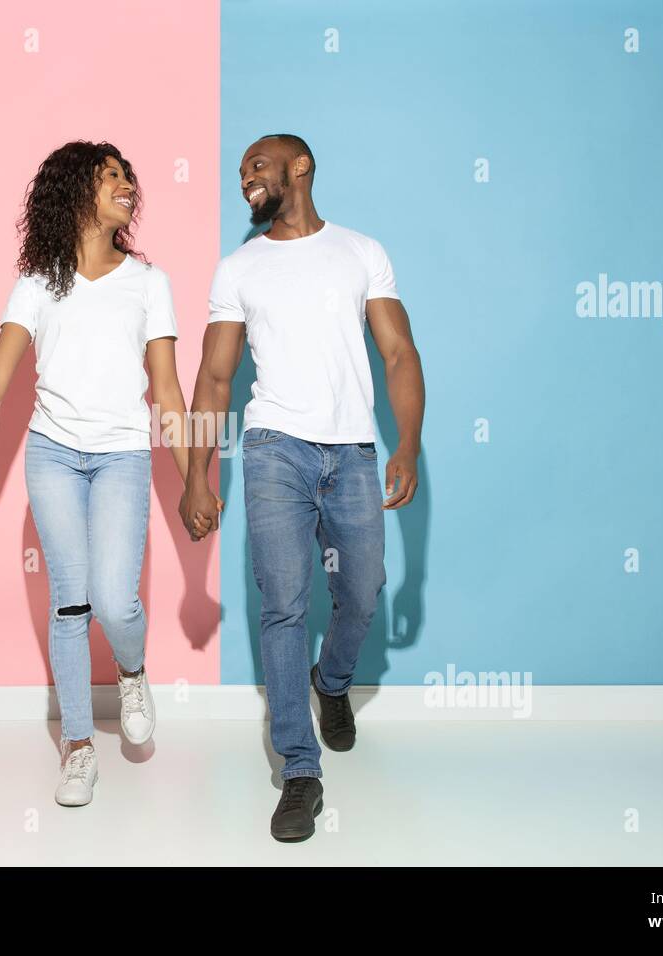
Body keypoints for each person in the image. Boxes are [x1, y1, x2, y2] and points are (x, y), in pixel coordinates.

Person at [0, 140, 201, 807]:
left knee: (116, 599)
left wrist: (195, 478)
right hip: (52, 454)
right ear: (76, 192)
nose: (127, 184)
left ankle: (132, 671)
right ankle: (78, 748)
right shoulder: (38, 284)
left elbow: (167, 388)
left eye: (129, 175)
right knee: (70, 602)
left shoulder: (148, 282)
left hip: (123, 455)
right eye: (111, 177)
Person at [180, 133, 426, 842]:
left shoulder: (361, 252)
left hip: (351, 449)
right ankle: (299, 770)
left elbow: (399, 352)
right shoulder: (239, 269)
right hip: (273, 450)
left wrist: (405, 444)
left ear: (301, 168)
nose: (246, 178)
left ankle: (334, 683)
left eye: (258, 165)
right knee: (283, 606)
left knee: (363, 589)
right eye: (240, 171)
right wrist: (198, 472)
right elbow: (215, 379)